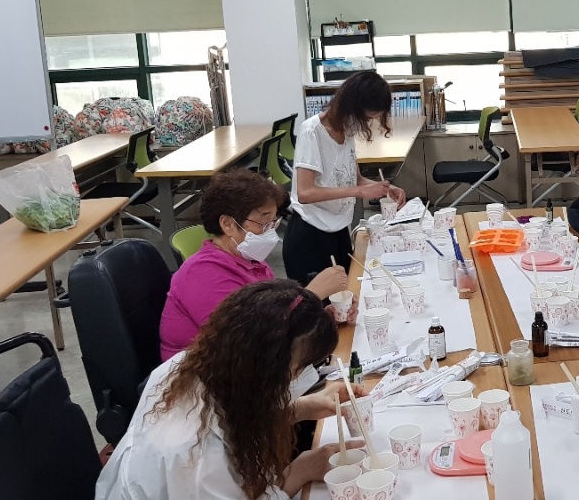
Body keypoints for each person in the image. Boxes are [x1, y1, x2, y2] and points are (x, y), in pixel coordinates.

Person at [98, 280, 365, 500]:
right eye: (298, 369)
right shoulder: (198, 460)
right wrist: (299, 472)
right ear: (265, 370)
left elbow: (232, 420)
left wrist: (297, 409)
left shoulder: (194, 366)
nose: (299, 378)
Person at [158, 169, 348, 361]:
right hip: (203, 372)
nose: (270, 232)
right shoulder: (202, 273)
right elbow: (248, 340)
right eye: (264, 223)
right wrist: (310, 295)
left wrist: (319, 320)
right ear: (228, 224)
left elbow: (275, 321)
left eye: (273, 223)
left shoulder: (251, 262)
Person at [284, 71, 406, 284]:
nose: (366, 124)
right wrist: (359, 192)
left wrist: (385, 188)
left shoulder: (346, 131)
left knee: (349, 292)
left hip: (338, 229)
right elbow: (305, 193)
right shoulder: (312, 132)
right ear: (351, 107)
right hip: (311, 234)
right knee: (320, 300)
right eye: (366, 118)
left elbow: (354, 179)